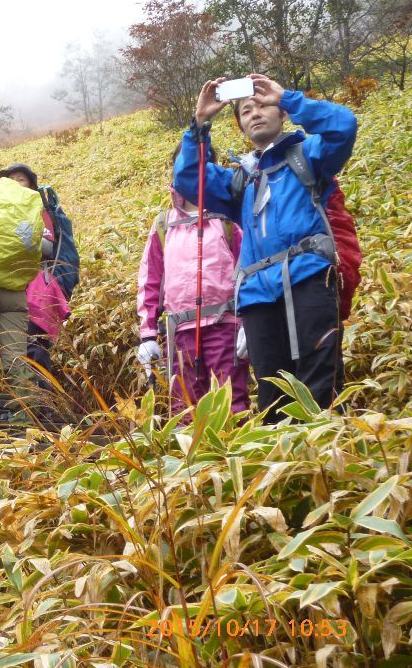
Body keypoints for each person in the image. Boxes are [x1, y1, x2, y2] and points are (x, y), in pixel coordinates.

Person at [173, 74, 357, 420]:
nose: (254, 113)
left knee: (320, 378)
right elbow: (187, 180)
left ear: (281, 114)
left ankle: (326, 457)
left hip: (310, 277)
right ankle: (284, 465)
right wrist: (200, 122)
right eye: (245, 111)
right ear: (242, 127)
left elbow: (344, 126)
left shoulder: (309, 156)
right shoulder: (240, 179)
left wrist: (288, 98)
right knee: (272, 390)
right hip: (257, 292)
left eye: (263, 105)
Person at [138, 153, 249, 415]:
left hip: (226, 326)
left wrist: (249, 321)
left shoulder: (227, 218)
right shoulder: (164, 225)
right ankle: (193, 457)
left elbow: (248, 270)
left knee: (230, 403)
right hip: (180, 332)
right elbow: (150, 279)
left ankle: (230, 455)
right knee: (183, 408)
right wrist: (148, 334)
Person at [0, 164, 72, 376]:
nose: (15, 184)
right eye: (10, 180)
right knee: (14, 341)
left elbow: (48, 247)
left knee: (35, 343)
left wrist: (22, 235)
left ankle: (42, 398)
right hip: (12, 285)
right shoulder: (1, 211)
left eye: (20, 179)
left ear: (31, 184)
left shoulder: (39, 209)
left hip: (36, 285)